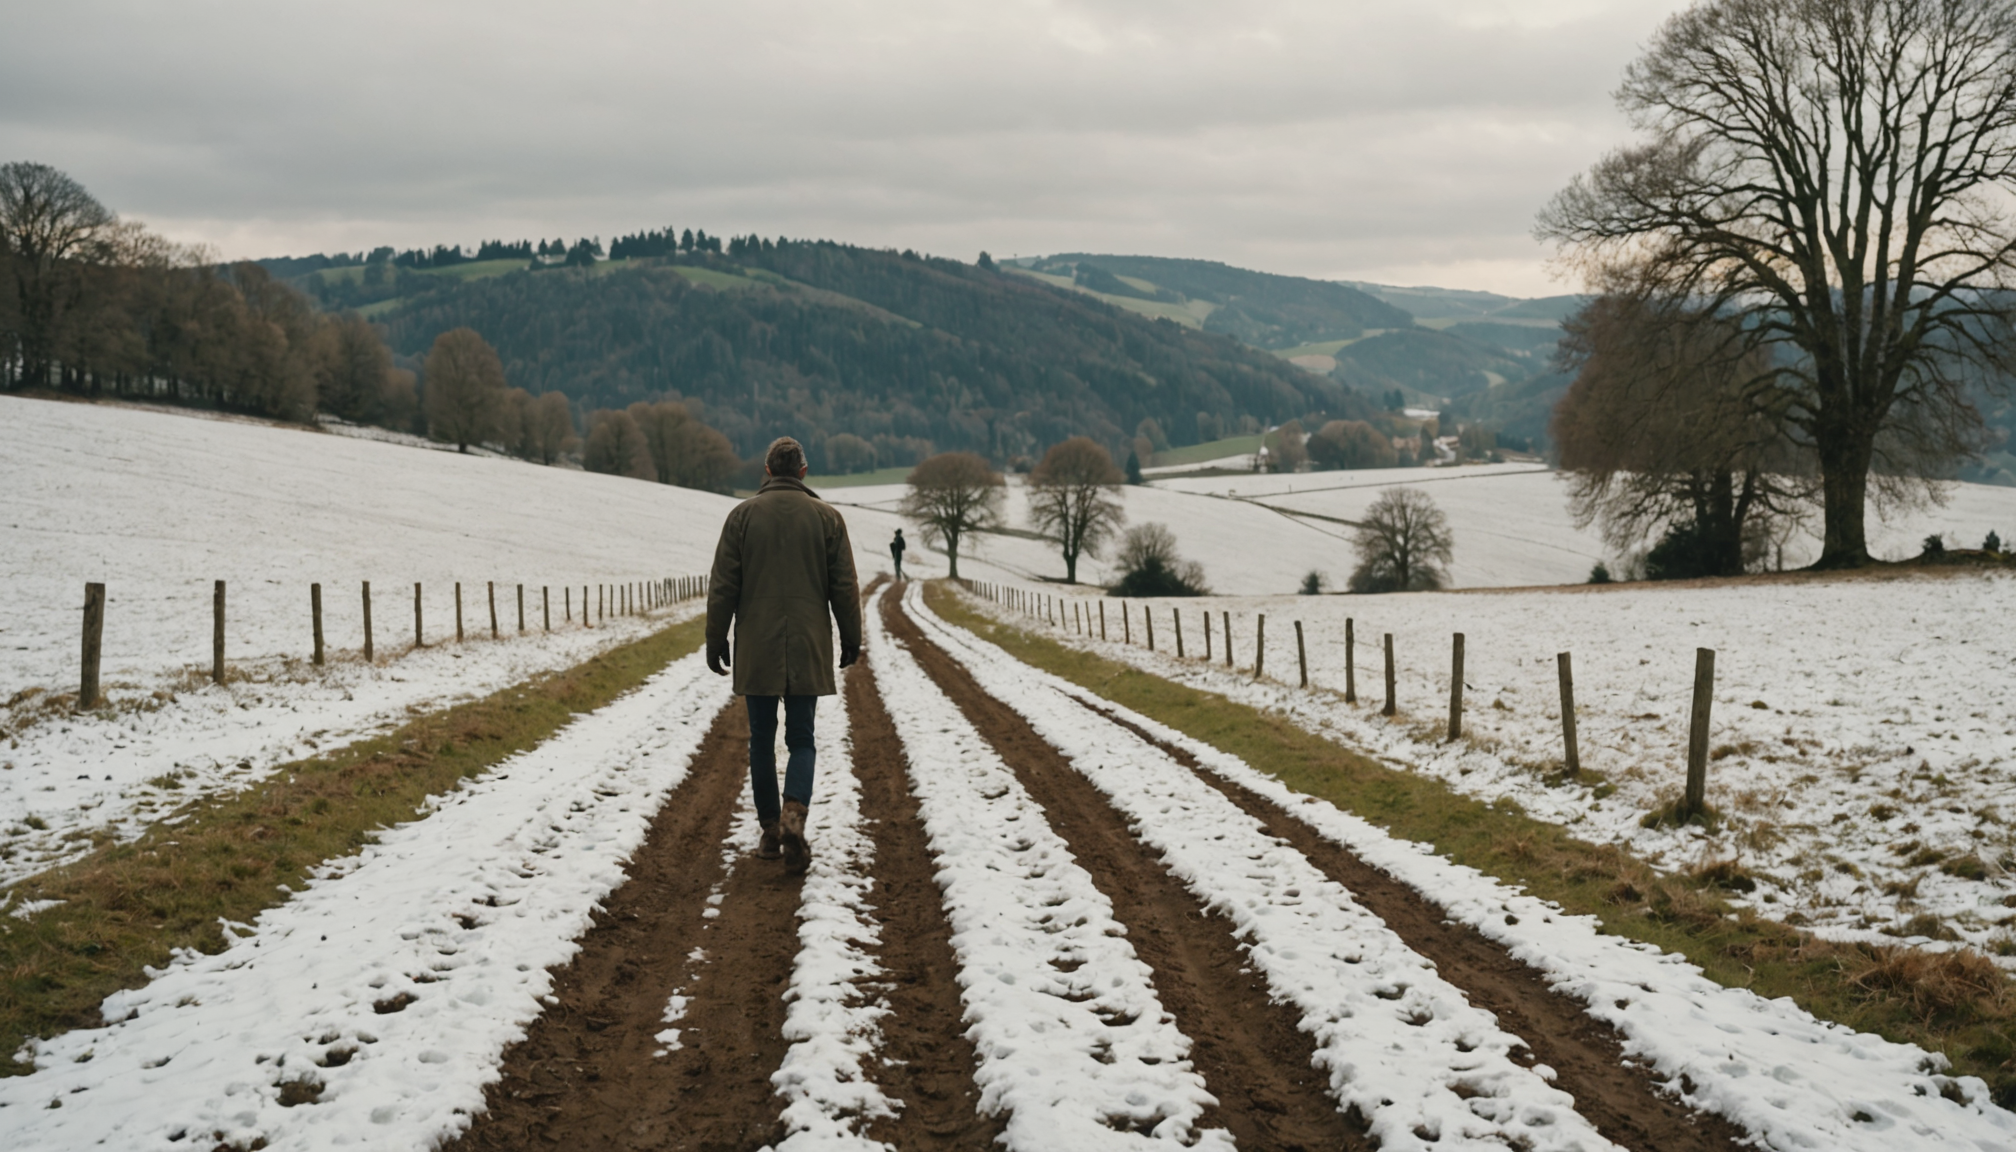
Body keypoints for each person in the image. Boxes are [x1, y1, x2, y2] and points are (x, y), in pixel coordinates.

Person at [706, 436, 862, 874]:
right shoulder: (828, 519)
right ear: (804, 472)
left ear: (768, 471)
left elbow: (723, 588)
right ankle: (796, 813)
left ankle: (771, 833)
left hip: (756, 647)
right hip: (809, 645)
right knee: (802, 739)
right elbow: (845, 588)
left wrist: (715, 640)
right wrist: (852, 638)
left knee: (761, 741)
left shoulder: (741, 517)